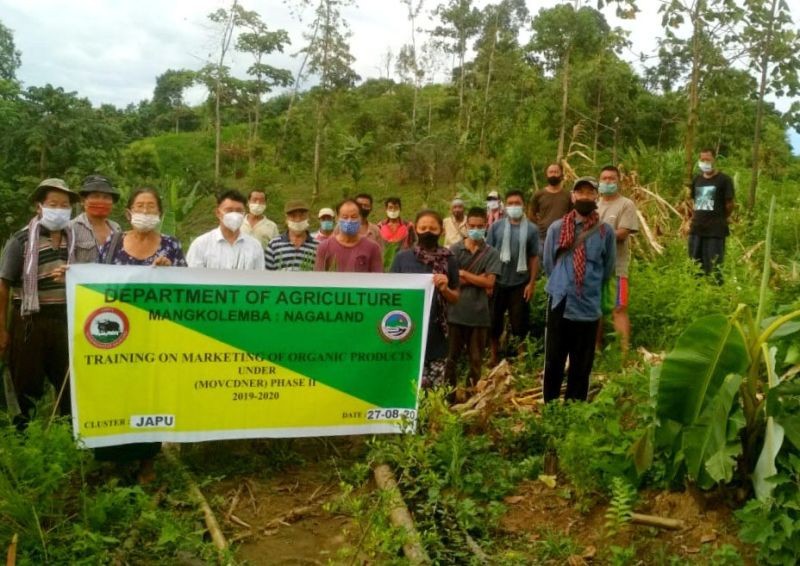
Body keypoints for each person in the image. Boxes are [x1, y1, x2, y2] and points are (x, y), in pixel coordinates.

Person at [96, 187, 186, 483]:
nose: (145, 212)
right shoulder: (112, 244)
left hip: (155, 336)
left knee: (150, 398)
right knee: (118, 395)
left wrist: (170, 272)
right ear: (128, 212)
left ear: (160, 214)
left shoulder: (171, 246)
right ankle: (116, 463)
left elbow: (186, 290)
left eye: (151, 208)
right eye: (140, 206)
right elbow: (95, 283)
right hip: (119, 335)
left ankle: (147, 462)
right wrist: (71, 275)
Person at [0, 179, 79, 425]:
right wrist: (1, 329)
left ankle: (66, 438)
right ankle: (24, 441)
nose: (59, 209)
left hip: (66, 321)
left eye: (64, 205)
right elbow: (3, 284)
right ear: (39, 206)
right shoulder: (21, 241)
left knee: (69, 383)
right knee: (26, 384)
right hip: (30, 322)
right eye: (53, 203)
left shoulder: (74, 241)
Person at [542, 177, 615, 403]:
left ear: (596, 196)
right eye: (580, 192)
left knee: (582, 360)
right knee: (554, 358)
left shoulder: (605, 232)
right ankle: (551, 405)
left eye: (589, 193)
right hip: (560, 301)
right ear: (573, 196)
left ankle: (574, 407)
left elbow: (608, 268)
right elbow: (548, 264)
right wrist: (564, 281)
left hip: (588, 303)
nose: (584, 197)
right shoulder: (557, 228)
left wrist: (585, 284)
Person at [390, 210, 460, 388]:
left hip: (437, 333)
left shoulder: (449, 260)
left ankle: (433, 416)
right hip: (406, 330)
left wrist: (445, 289)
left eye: (432, 228)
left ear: (441, 231)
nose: (428, 231)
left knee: (435, 388)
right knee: (409, 386)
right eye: (423, 227)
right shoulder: (402, 258)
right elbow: (391, 294)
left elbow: (456, 297)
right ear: (415, 229)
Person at [444, 207, 502, 398]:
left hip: (479, 316)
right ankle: (448, 397)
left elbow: (490, 282)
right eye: (472, 226)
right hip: (455, 314)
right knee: (450, 359)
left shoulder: (491, 253)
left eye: (480, 226)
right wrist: (478, 278)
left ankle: (471, 397)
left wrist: (463, 273)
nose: (476, 229)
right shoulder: (454, 251)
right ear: (466, 226)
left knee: (476, 361)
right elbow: (451, 281)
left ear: (486, 226)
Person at [486, 190, 539, 366]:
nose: (514, 206)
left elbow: (533, 256)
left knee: (520, 322)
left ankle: (522, 356)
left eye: (517, 203)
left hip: (519, 283)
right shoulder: (496, 227)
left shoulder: (531, 229)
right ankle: (494, 356)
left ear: (523, 205)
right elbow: (489, 254)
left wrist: (531, 283)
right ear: (505, 205)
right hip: (498, 281)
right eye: (510, 203)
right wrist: (489, 279)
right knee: (494, 321)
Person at [596, 165, 638, 355]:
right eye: (604, 178)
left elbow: (623, 233)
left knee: (619, 308)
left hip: (616, 266)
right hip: (595, 266)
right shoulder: (594, 205)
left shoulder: (625, 204)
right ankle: (595, 349)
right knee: (595, 310)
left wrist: (597, 233)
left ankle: (624, 355)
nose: (607, 182)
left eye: (612, 178)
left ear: (619, 180)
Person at [186, 190, 265, 270]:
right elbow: (193, 278)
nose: (235, 215)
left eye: (239, 211)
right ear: (218, 213)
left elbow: (259, 279)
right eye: (229, 210)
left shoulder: (255, 246)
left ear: (243, 213)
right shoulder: (201, 244)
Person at [688, 148, 734, 282]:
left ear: (714, 160)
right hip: (697, 229)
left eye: (708, 159)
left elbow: (730, 204)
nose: (705, 162)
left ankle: (716, 294)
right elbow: (693, 201)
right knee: (695, 265)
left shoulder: (724, 180)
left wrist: (721, 217)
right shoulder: (697, 180)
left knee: (714, 267)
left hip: (715, 230)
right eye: (702, 160)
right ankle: (697, 293)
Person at [315, 200, 383, 272]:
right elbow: (319, 279)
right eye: (345, 217)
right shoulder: (325, 247)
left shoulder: (373, 248)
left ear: (360, 218)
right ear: (337, 219)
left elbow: (377, 279)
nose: (349, 221)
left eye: (354, 217)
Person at [71, 174, 121, 263]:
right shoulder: (72, 228)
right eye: (95, 196)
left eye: (106, 197)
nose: (101, 201)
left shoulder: (116, 228)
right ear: (83, 201)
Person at [529, 163, 572, 256]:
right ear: (546, 175)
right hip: (543, 237)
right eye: (551, 172)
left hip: (563, 238)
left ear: (561, 174)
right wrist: (539, 226)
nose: (553, 174)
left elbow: (572, 215)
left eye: (556, 172)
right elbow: (531, 213)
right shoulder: (539, 195)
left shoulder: (568, 195)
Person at [265, 200, 319, 271]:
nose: (298, 220)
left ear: (308, 217)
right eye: (293, 216)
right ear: (286, 219)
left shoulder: (318, 246)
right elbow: (268, 275)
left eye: (302, 215)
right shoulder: (274, 245)